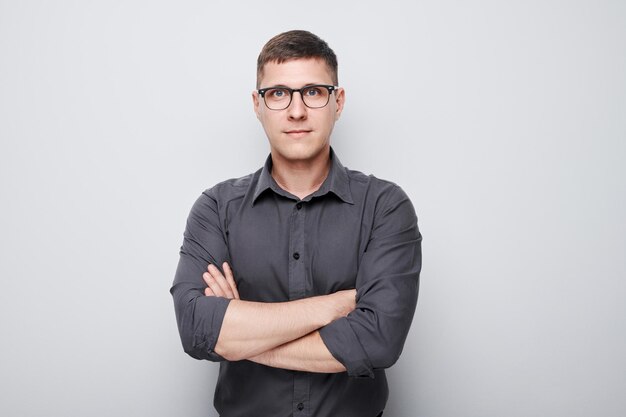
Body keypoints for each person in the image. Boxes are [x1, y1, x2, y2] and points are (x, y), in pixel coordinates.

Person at [170, 30, 422, 417]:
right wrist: (334, 306)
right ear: (257, 105)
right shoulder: (215, 209)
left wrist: (241, 334)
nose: (297, 111)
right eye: (278, 94)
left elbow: (379, 342)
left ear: (337, 102)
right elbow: (196, 329)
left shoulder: (385, 207)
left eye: (313, 92)